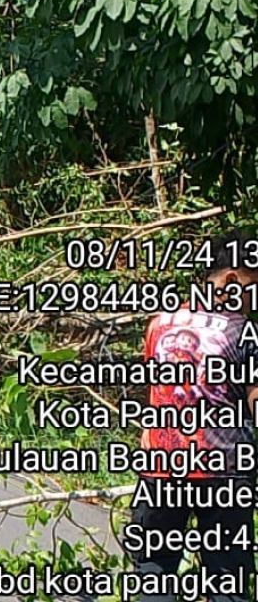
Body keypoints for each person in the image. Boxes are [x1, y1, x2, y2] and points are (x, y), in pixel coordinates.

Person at [126, 231, 258, 601]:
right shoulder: (241, 331)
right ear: (232, 279)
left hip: (159, 467)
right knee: (226, 578)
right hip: (223, 473)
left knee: (154, 571)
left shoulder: (160, 322)